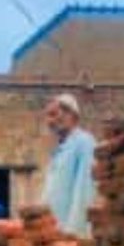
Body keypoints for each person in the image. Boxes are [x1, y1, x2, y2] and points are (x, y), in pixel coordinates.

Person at [41, 93, 96, 237]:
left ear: (71, 115)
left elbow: (84, 191)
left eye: (54, 114)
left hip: (72, 232)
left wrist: (74, 233)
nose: (50, 121)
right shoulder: (58, 150)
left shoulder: (84, 143)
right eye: (48, 116)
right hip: (53, 230)